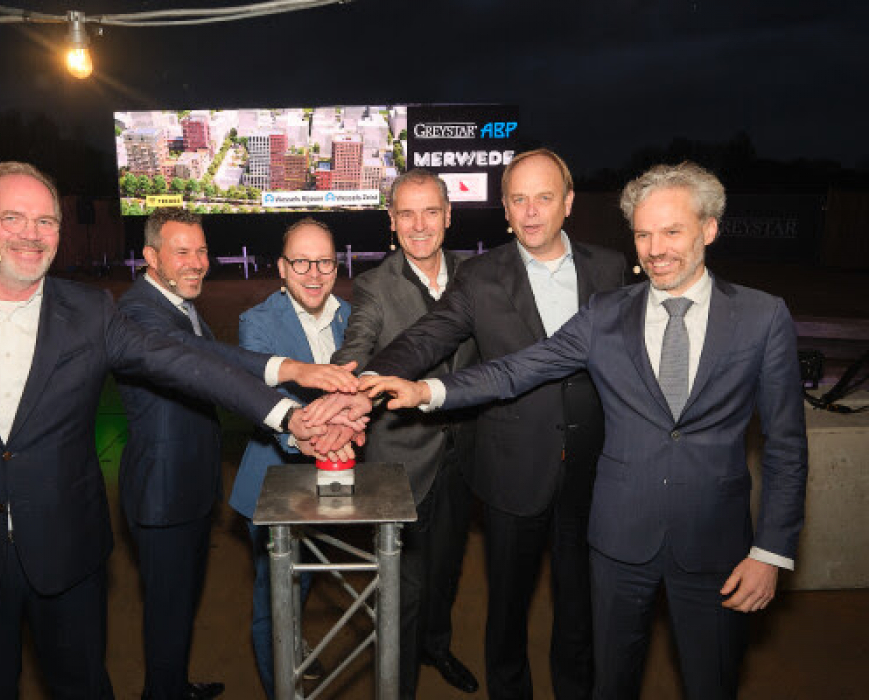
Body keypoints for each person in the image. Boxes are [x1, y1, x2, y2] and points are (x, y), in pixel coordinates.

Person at [0, 161, 361, 699]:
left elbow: (187, 361)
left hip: (67, 553)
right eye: (13, 218)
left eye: (46, 221)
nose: (32, 233)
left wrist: (287, 413)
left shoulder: (89, 311)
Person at [363, 161, 809, 700]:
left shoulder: (760, 316)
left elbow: (786, 447)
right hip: (609, 532)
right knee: (604, 674)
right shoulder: (605, 313)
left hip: (703, 539)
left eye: (672, 232)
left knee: (704, 679)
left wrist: (771, 551)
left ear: (709, 230)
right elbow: (517, 368)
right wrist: (424, 391)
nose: (656, 249)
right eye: (643, 234)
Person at [351, 149, 626, 700]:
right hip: (512, 469)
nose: (531, 211)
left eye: (543, 197)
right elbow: (427, 336)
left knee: (581, 608)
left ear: (569, 202)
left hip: (592, 470)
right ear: (504, 208)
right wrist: (367, 381)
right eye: (518, 199)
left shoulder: (611, 269)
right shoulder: (480, 276)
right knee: (507, 609)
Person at [330, 168, 480, 697]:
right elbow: (356, 349)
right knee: (406, 585)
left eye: (430, 212)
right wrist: (344, 390)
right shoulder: (375, 285)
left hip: (465, 454)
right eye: (407, 214)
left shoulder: (477, 274)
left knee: (447, 569)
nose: (419, 225)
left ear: (448, 215)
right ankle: (401, 684)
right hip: (401, 460)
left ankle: (437, 646)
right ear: (391, 221)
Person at [115, 207, 261, 699]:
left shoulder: (178, 301)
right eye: (182, 252)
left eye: (201, 251)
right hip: (163, 492)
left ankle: (172, 685)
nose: (197, 262)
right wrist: (286, 388)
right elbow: (206, 365)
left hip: (190, 487)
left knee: (179, 608)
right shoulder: (138, 312)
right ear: (151, 256)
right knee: (167, 610)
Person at [229, 218, 351, 698]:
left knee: (301, 586)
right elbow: (267, 400)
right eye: (301, 262)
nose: (314, 273)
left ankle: (292, 647)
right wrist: (312, 436)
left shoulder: (349, 316)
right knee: (274, 601)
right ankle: (282, 687)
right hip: (273, 485)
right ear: (282, 268)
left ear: (336, 266)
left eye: (324, 262)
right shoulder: (257, 322)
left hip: (328, 484)